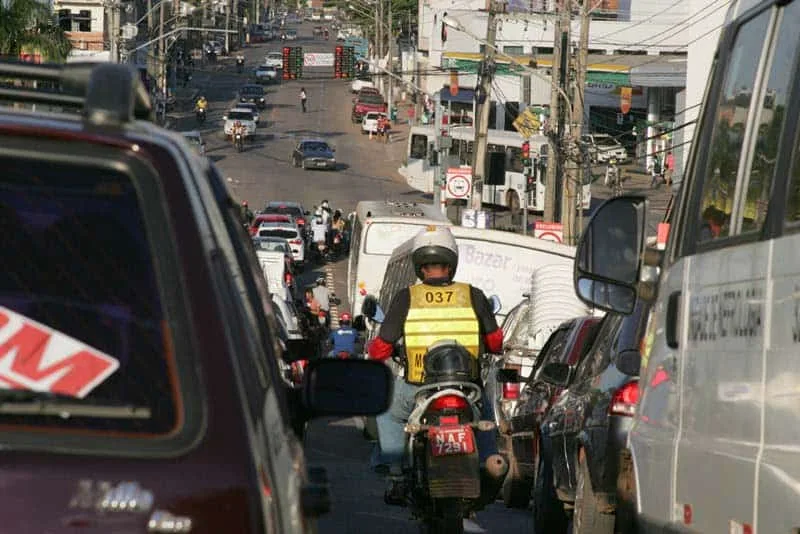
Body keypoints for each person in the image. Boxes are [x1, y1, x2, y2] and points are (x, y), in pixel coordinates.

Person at [367, 226, 504, 504]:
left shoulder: (407, 297)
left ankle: (396, 474)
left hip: (418, 391)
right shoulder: (473, 295)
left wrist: (387, 351)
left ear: (420, 265)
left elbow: (380, 348)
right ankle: (489, 462)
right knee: (486, 416)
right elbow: (496, 342)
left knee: (389, 412)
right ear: (451, 262)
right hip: (467, 390)